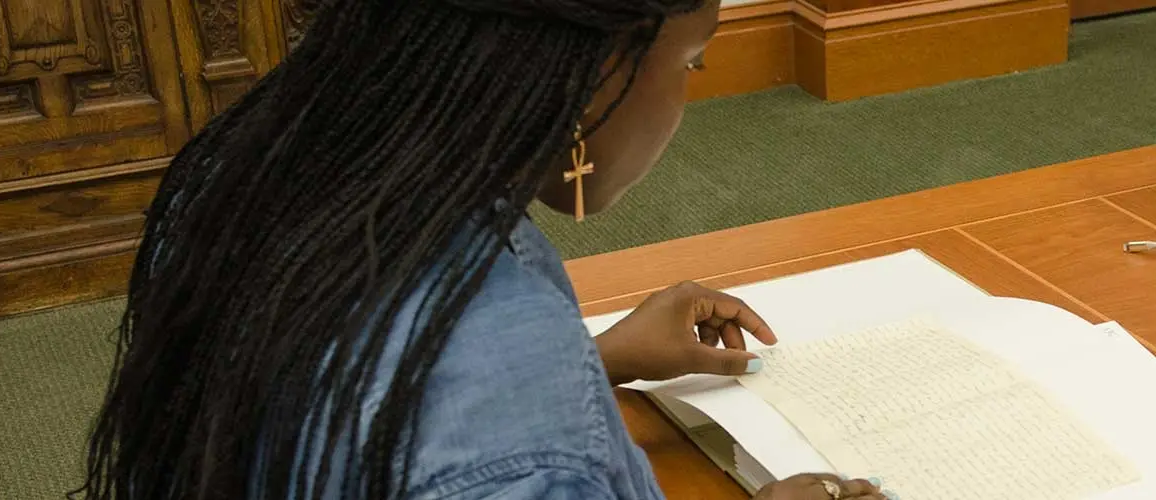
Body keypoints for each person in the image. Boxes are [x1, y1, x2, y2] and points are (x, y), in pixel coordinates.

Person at [73, 0, 891, 498]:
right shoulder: (515, 411)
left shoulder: (242, 161)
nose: (687, 89)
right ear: (603, 66)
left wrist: (590, 359)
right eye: (691, 58)